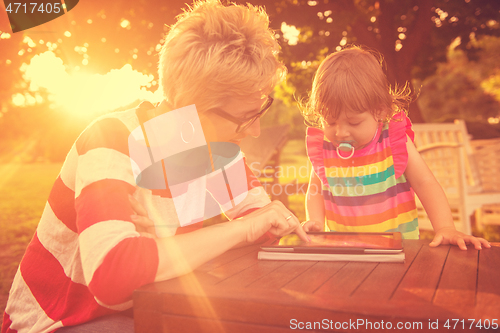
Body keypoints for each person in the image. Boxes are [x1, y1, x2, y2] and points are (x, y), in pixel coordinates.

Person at [1, 1, 308, 332]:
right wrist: (235, 231)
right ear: (191, 110)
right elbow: (112, 275)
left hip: (149, 307)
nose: (255, 131)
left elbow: (266, 226)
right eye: (245, 118)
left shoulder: (218, 153)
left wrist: (159, 250)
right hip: (62, 320)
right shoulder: (112, 138)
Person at [300, 45, 490, 250]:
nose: (341, 133)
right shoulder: (325, 148)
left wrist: (446, 228)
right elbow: (315, 190)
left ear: (380, 111)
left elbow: (425, 183)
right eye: (329, 122)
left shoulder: (393, 141)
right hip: (345, 252)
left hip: (397, 251)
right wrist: (316, 222)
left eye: (353, 123)